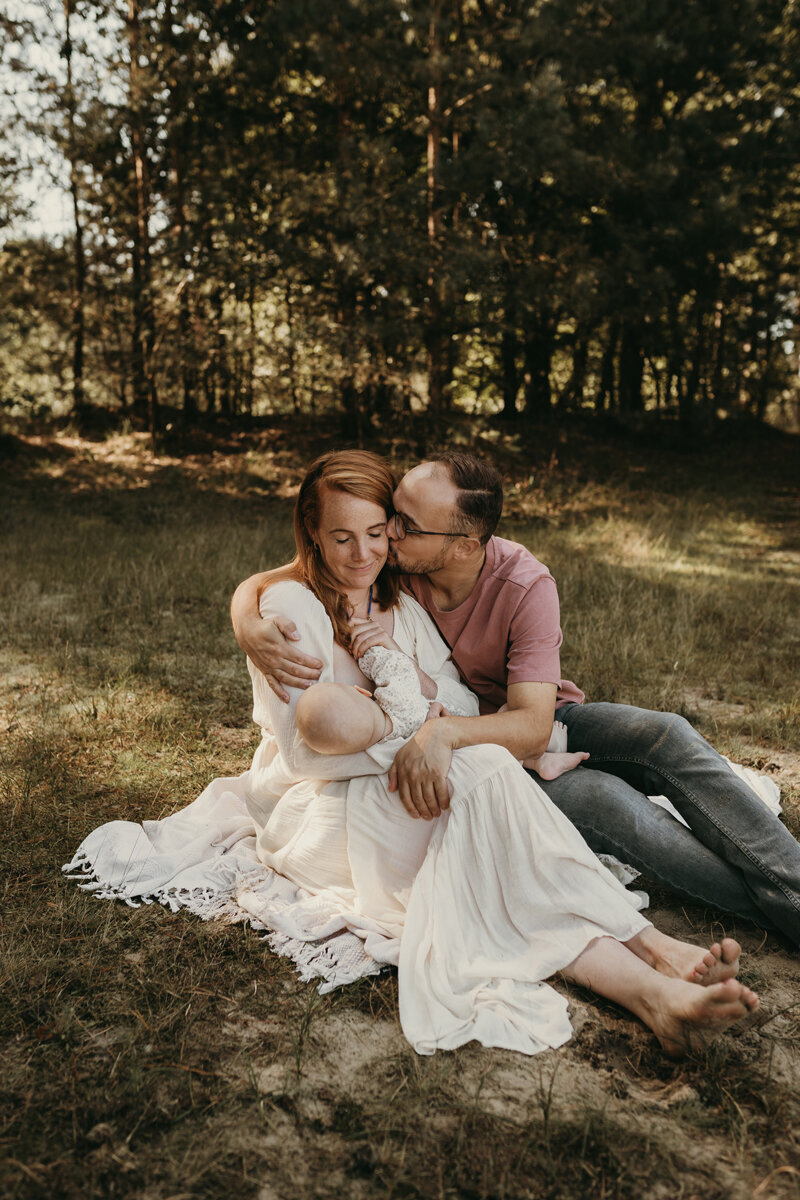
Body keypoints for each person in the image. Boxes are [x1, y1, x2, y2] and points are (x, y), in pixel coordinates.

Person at [242, 447, 757, 1057]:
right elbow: (305, 754)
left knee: (507, 840)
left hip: (461, 759)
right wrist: (406, 733)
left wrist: (423, 705)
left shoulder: (399, 598)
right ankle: (649, 959)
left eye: (381, 531)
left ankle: (655, 986)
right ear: (313, 534)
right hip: (325, 805)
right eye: (343, 537)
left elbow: (457, 699)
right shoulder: (289, 609)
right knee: (504, 829)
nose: (369, 551)